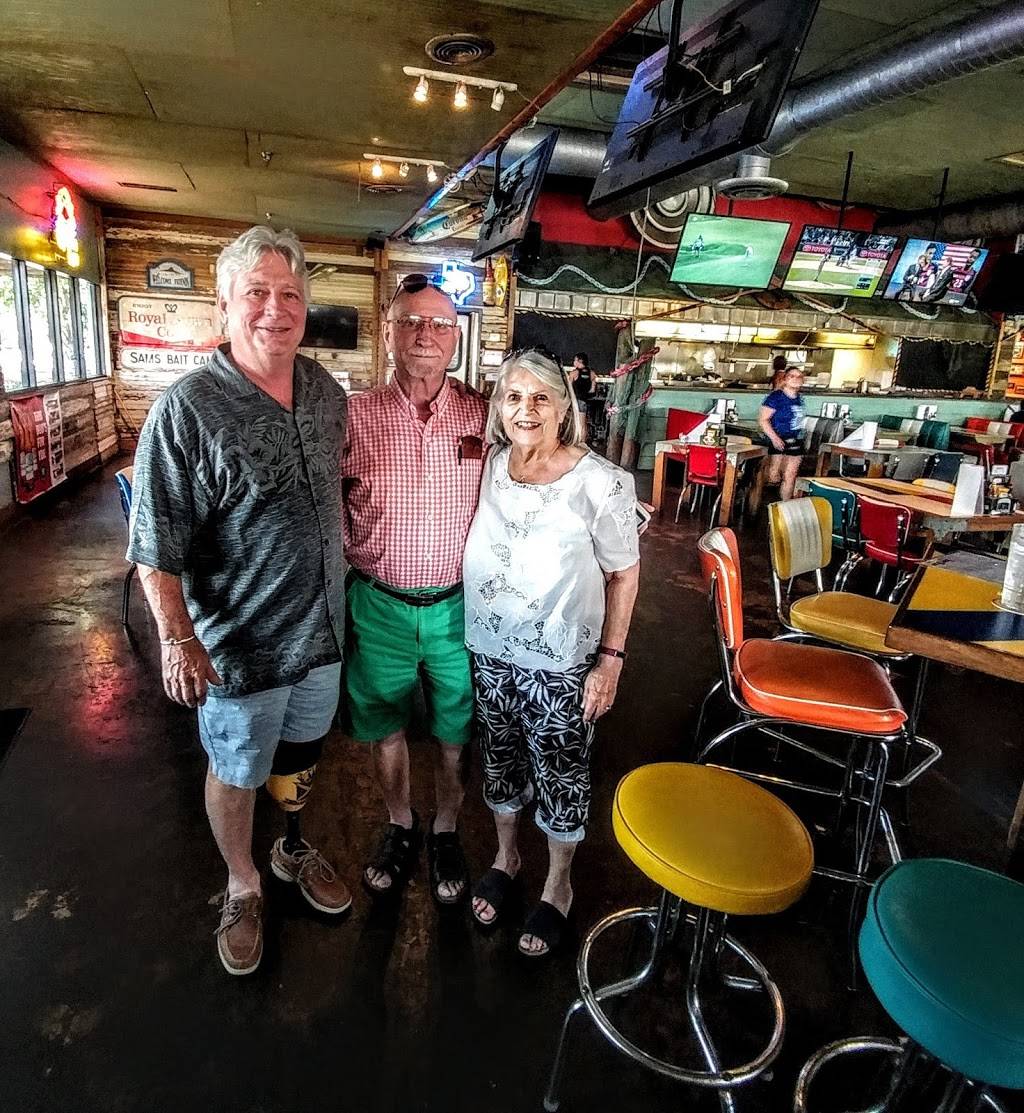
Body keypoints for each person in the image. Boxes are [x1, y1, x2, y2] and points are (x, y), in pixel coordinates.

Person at [127, 226, 351, 977]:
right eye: (256, 292)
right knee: (237, 768)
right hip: (241, 649)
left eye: (290, 293)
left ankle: (290, 848)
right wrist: (177, 640)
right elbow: (153, 544)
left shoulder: (326, 393)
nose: (275, 309)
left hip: (323, 634)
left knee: (300, 756)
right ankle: (243, 881)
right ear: (223, 304)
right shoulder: (187, 409)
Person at [464, 349, 641, 957]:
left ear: (564, 408)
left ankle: (558, 884)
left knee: (562, 773)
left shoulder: (602, 482)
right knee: (499, 761)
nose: (526, 409)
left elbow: (624, 574)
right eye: (513, 397)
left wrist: (611, 660)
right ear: (499, 408)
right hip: (490, 651)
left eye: (541, 397)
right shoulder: (492, 465)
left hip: (563, 664)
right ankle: (507, 857)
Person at [342, 274, 487, 907]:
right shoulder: (354, 415)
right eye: (410, 321)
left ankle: (446, 827)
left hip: (460, 608)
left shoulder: (486, 415)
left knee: (456, 729)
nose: (425, 334)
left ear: (456, 337)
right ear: (388, 334)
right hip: (379, 605)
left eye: (439, 323)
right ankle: (400, 822)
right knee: (385, 725)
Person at [759, 365, 806, 501]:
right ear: (785, 379)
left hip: (794, 440)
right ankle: (765, 505)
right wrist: (774, 438)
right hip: (777, 439)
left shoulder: (799, 398)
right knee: (773, 476)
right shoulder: (776, 397)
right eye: (792, 376)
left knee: (790, 475)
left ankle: (785, 507)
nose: (796, 379)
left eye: (799, 376)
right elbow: (763, 420)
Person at [567, 351, 593, 440]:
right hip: (585, 400)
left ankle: (577, 441)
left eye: (575, 360)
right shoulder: (591, 373)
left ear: (580, 361)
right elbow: (592, 390)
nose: (574, 362)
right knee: (583, 423)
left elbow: (569, 388)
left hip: (575, 400)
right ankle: (583, 441)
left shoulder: (574, 373)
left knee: (575, 423)